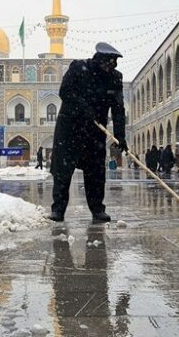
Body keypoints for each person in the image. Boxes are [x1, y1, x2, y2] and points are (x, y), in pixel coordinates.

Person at [49, 42, 126, 223]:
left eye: (114, 63)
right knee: (63, 171)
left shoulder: (115, 78)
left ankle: (98, 210)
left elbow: (118, 109)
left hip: (94, 132)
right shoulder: (78, 68)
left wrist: (120, 136)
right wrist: (84, 107)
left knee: (96, 172)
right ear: (98, 59)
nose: (111, 67)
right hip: (70, 129)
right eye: (108, 62)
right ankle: (58, 210)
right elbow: (65, 92)